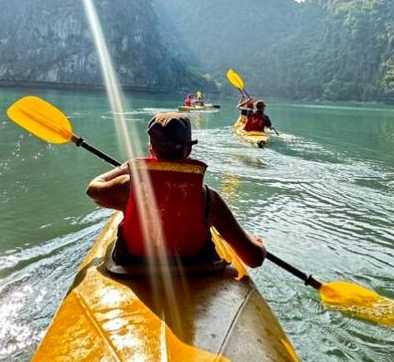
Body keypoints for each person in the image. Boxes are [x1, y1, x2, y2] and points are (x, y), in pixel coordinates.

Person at [86, 112, 266, 268]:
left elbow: (93, 190)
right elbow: (254, 259)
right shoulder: (208, 199)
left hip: (133, 268)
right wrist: (258, 244)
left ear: (151, 151)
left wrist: (127, 167)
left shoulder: (128, 187)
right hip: (197, 273)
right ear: (188, 150)